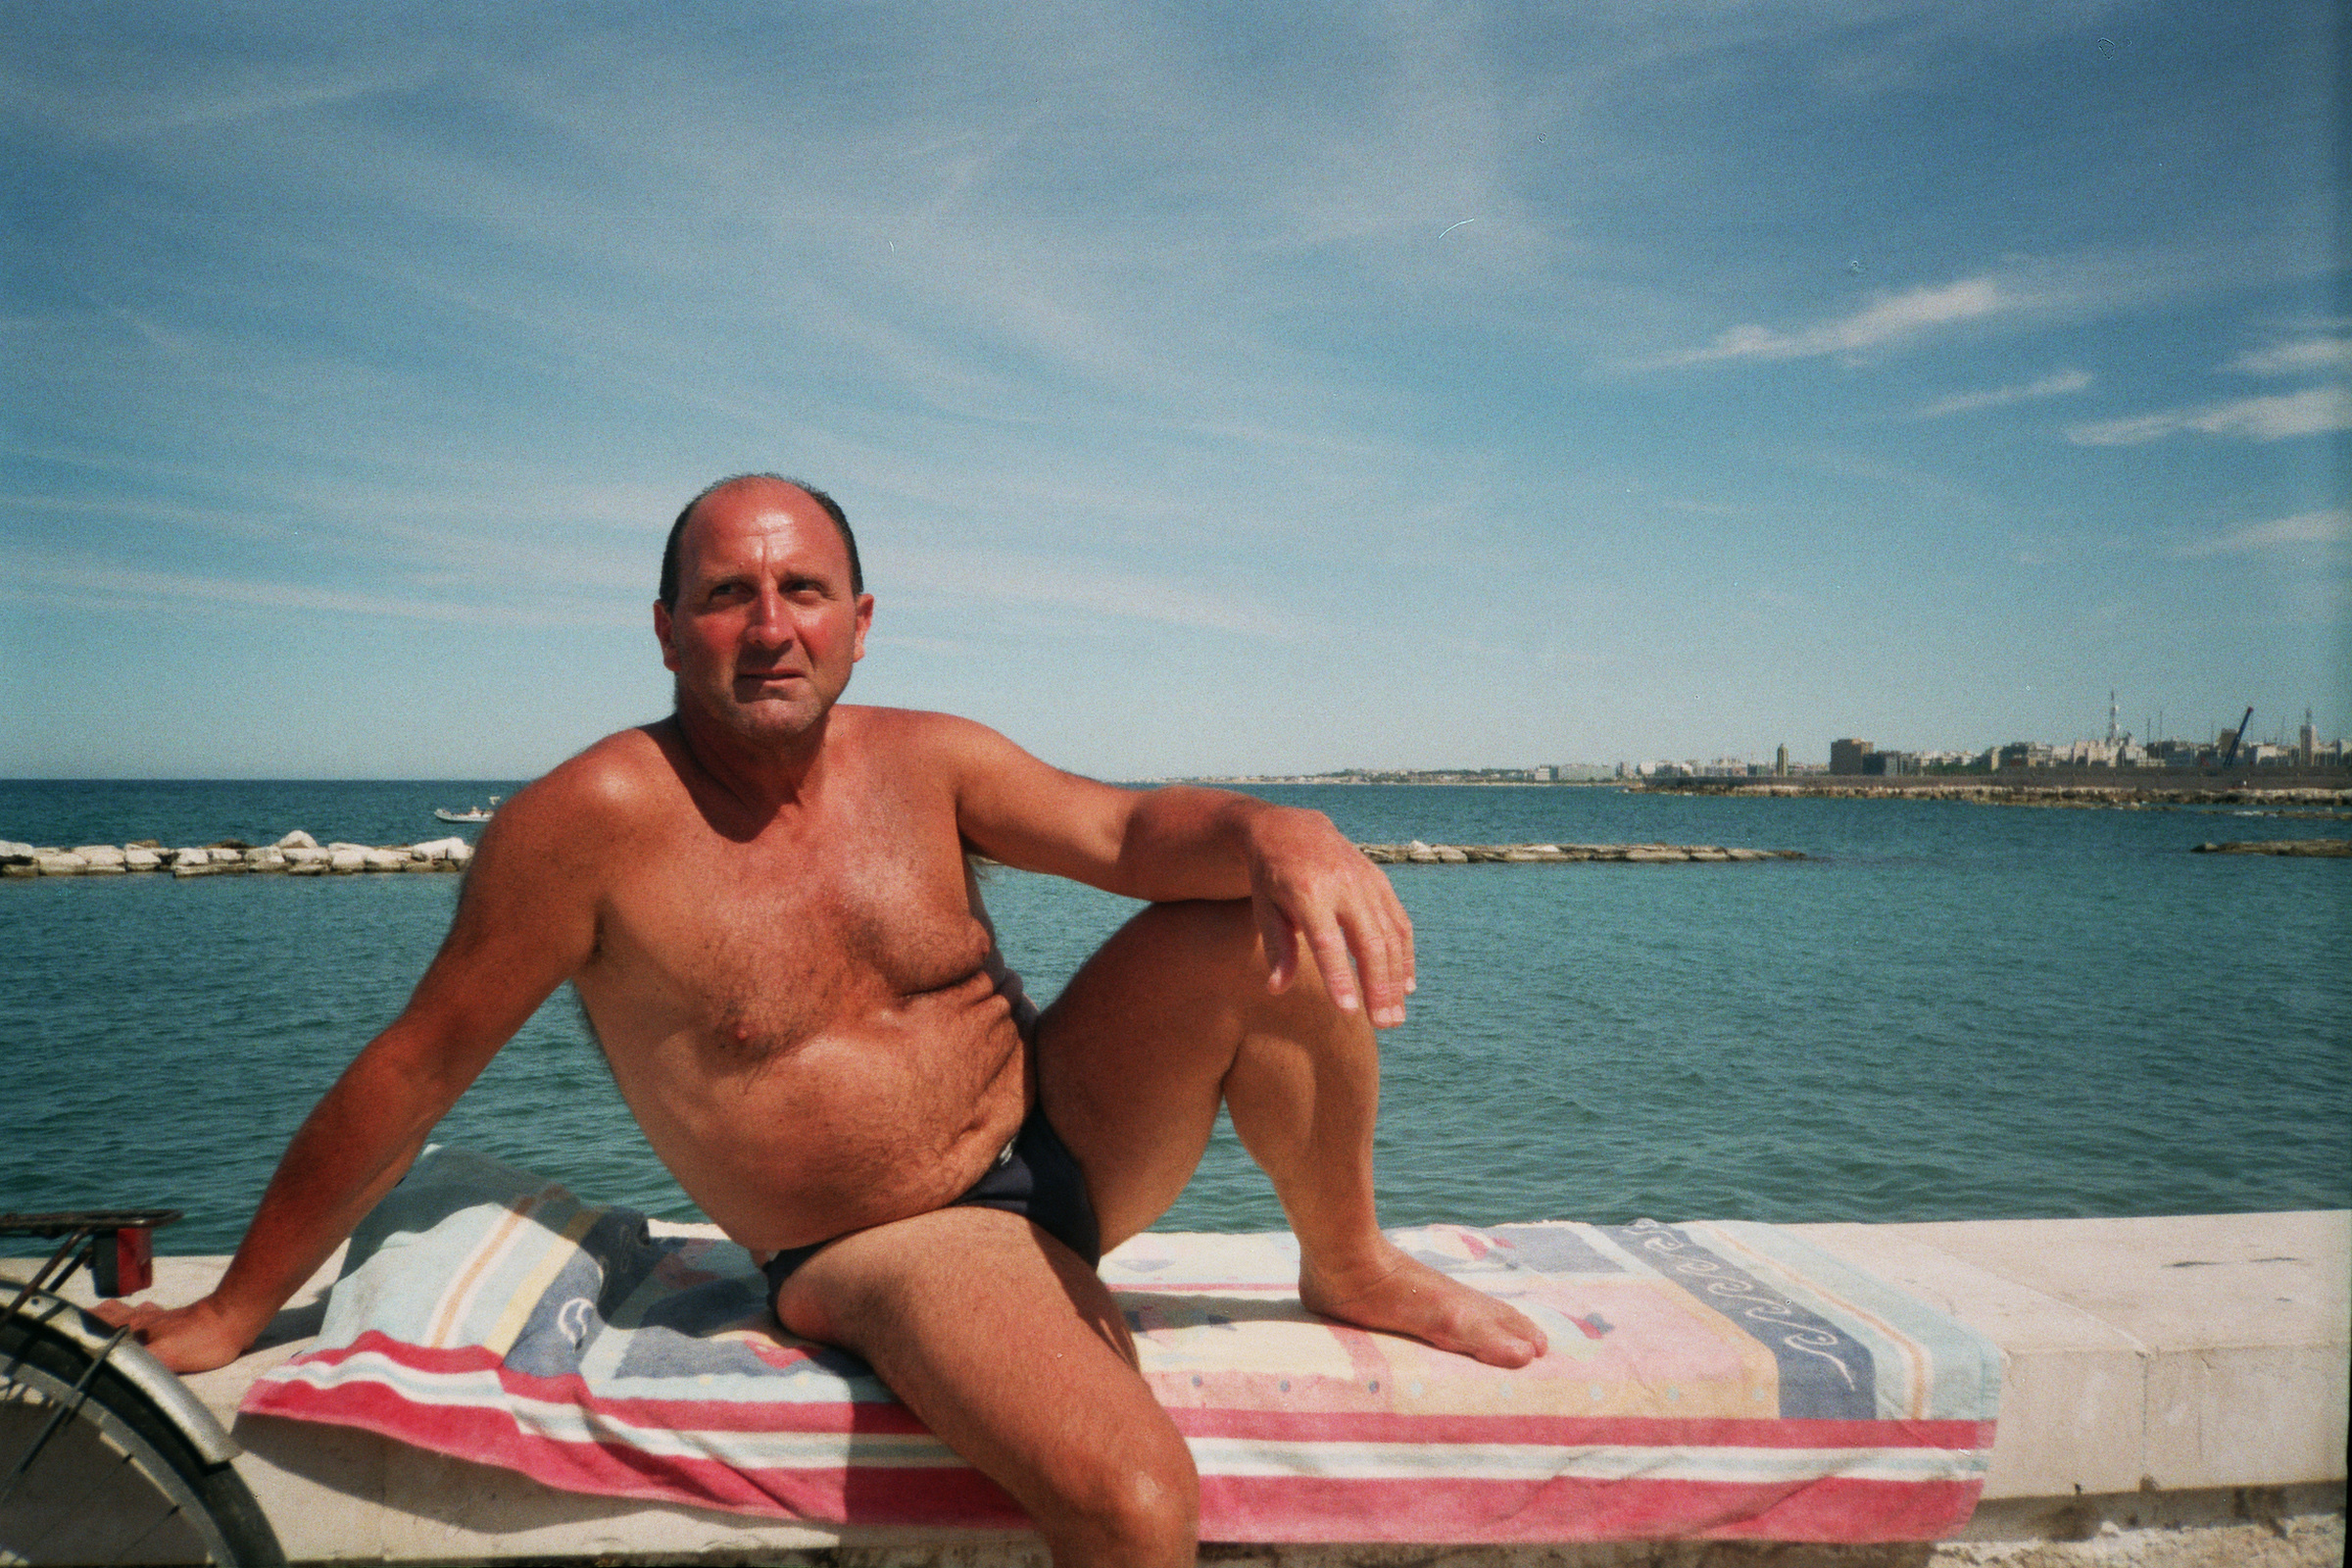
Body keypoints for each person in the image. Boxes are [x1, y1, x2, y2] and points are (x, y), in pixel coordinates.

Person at [98, 474, 1546, 1567]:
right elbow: (417, 1067)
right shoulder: (585, 827)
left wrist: (1278, 828)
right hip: (892, 1241)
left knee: (1254, 924)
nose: (770, 626)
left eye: (804, 591)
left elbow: (1122, 831)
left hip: (1068, 1136)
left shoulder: (931, 760)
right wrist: (234, 1307)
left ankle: (1348, 1259)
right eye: (728, 594)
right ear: (667, 630)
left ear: (860, 622)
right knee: (1133, 1500)